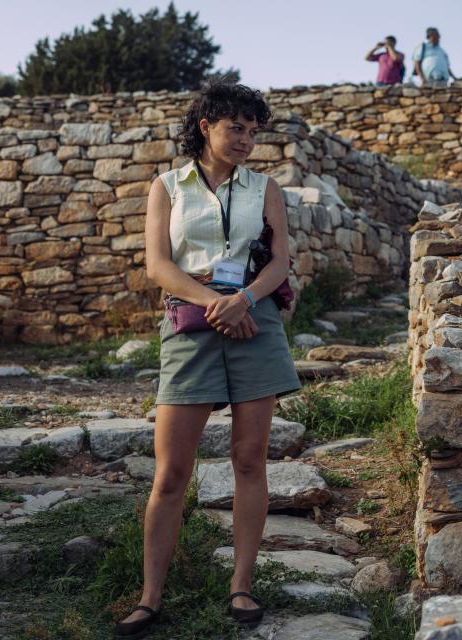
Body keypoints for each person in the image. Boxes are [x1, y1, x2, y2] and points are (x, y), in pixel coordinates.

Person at [115, 81, 301, 637]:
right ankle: (150, 597)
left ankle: (241, 586)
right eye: (234, 128)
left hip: (255, 319)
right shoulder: (166, 186)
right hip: (192, 322)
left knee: (250, 459)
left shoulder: (265, 187)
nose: (245, 139)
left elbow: (280, 262)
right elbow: (157, 265)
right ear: (205, 126)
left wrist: (243, 299)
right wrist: (216, 304)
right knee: (171, 473)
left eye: (252, 130)